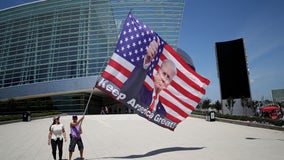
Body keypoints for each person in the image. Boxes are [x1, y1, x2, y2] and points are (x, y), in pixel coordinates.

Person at [121, 37, 176, 116]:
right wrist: (146, 62)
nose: (164, 79)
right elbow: (127, 90)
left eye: (168, 77)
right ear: (157, 73)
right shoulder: (140, 92)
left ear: (169, 84)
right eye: (164, 74)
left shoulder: (162, 112)